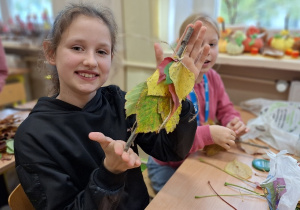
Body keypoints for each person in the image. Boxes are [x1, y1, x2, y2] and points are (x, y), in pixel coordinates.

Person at [14, 4, 210, 209]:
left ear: (111, 58)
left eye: (101, 51)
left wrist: (178, 97)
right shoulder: (33, 137)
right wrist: (109, 173)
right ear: (51, 52)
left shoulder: (118, 102)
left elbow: (170, 151)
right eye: (77, 48)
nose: (90, 61)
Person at [147, 13, 249, 193]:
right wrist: (209, 134)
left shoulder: (213, 78)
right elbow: (172, 140)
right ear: (182, 47)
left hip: (194, 155)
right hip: (166, 164)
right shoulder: (172, 84)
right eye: (198, 44)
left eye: (212, 44)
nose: (206, 51)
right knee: (178, 200)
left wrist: (232, 121)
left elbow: (225, 108)